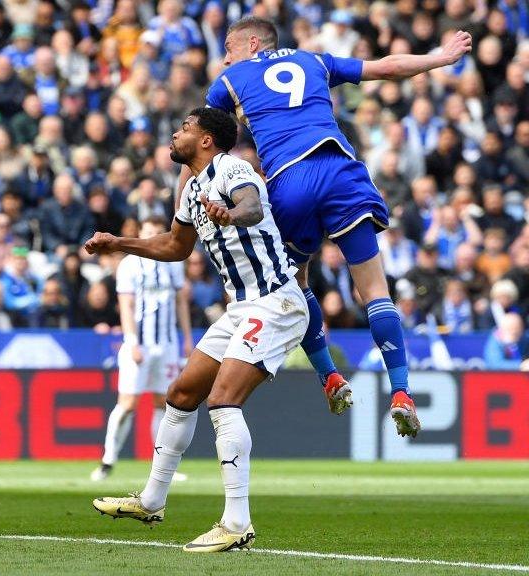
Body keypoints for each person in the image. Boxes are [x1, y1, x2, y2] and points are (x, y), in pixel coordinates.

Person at [200, 17, 471, 435]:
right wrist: (440, 58)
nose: (226, 57)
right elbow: (385, 67)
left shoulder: (230, 79)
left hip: (289, 180)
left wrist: (184, 194)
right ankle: (401, 391)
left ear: (252, 43)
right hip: (341, 168)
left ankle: (329, 376)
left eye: (230, 48)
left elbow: (202, 137)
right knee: (375, 289)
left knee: (295, 284)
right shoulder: (314, 60)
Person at [89, 108, 306, 552]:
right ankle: (151, 500)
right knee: (182, 393)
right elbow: (174, 246)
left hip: (277, 301)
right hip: (241, 307)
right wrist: (119, 243)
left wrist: (230, 212)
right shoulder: (190, 190)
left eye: (185, 127)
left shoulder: (232, 168)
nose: (175, 132)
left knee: (224, 399)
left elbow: (250, 205)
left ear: (206, 140)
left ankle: (236, 521)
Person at [91, 216, 192, 482]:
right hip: (139, 344)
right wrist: (132, 341)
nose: (151, 236)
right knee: (127, 403)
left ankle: (162, 464)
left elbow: (181, 303)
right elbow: (126, 305)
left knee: (164, 402)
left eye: (157, 232)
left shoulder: (174, 265)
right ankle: (107, 459)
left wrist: (187, 338)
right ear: (140, 232)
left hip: (167, 344)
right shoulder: (129, 265)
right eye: (147, 231)